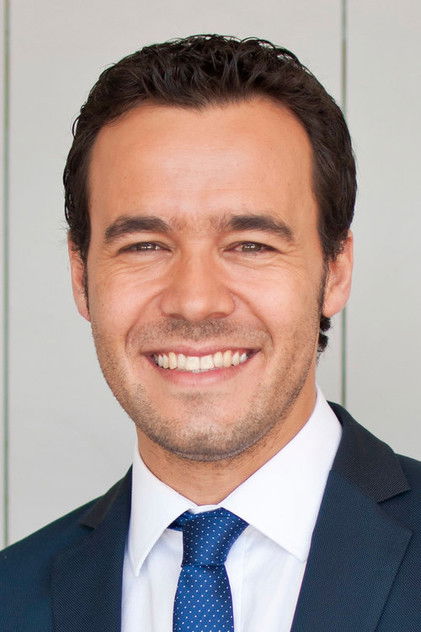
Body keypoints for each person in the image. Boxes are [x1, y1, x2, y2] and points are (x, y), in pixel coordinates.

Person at [1, 34, 420, 632]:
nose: (195, 302)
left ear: (335, 271)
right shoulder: (11, 595)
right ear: (80, 276)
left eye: (250, 244)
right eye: (145, 245)